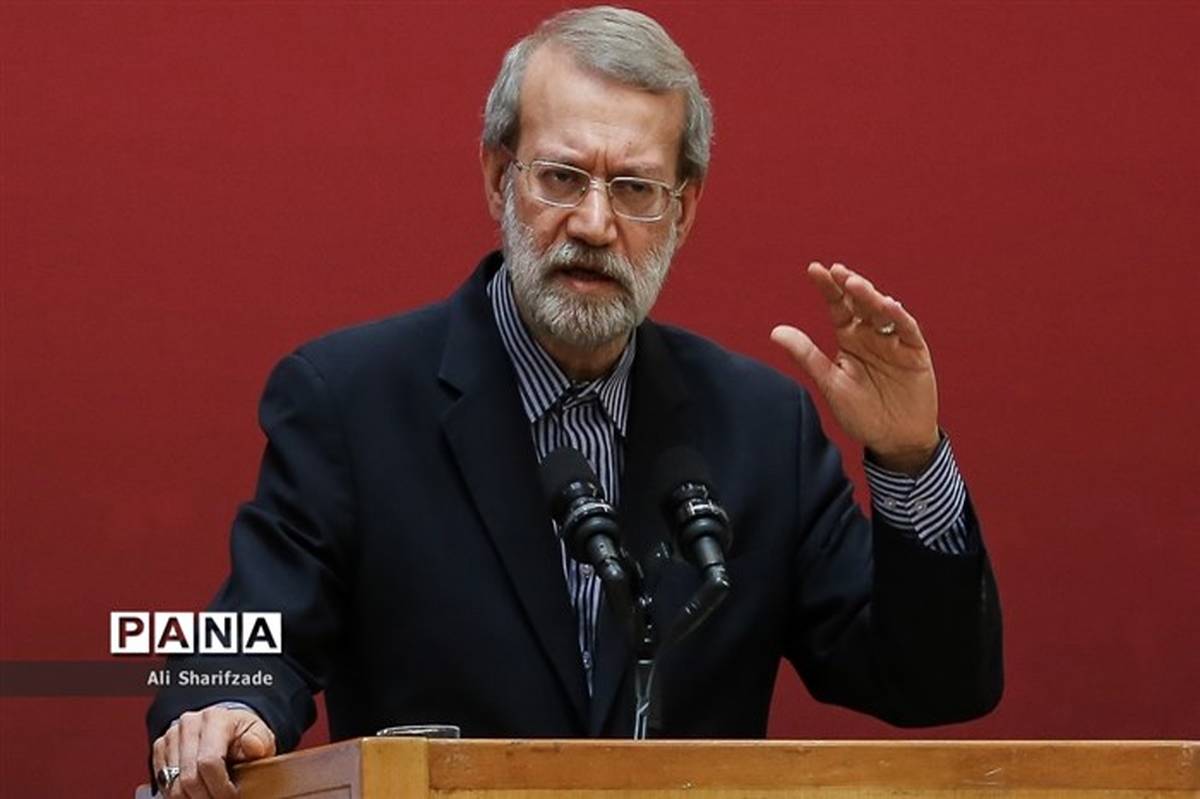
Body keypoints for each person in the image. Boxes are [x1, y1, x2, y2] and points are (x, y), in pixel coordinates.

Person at [147, 6, 1002, 797]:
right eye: (562, 177)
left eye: (634, 189)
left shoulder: (760, 427)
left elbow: (934, 683)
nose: (594, 224)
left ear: (684, 211)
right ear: (498, 178)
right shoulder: (351, 400)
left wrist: (909, 461)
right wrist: (227, 704)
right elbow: (244, 639)